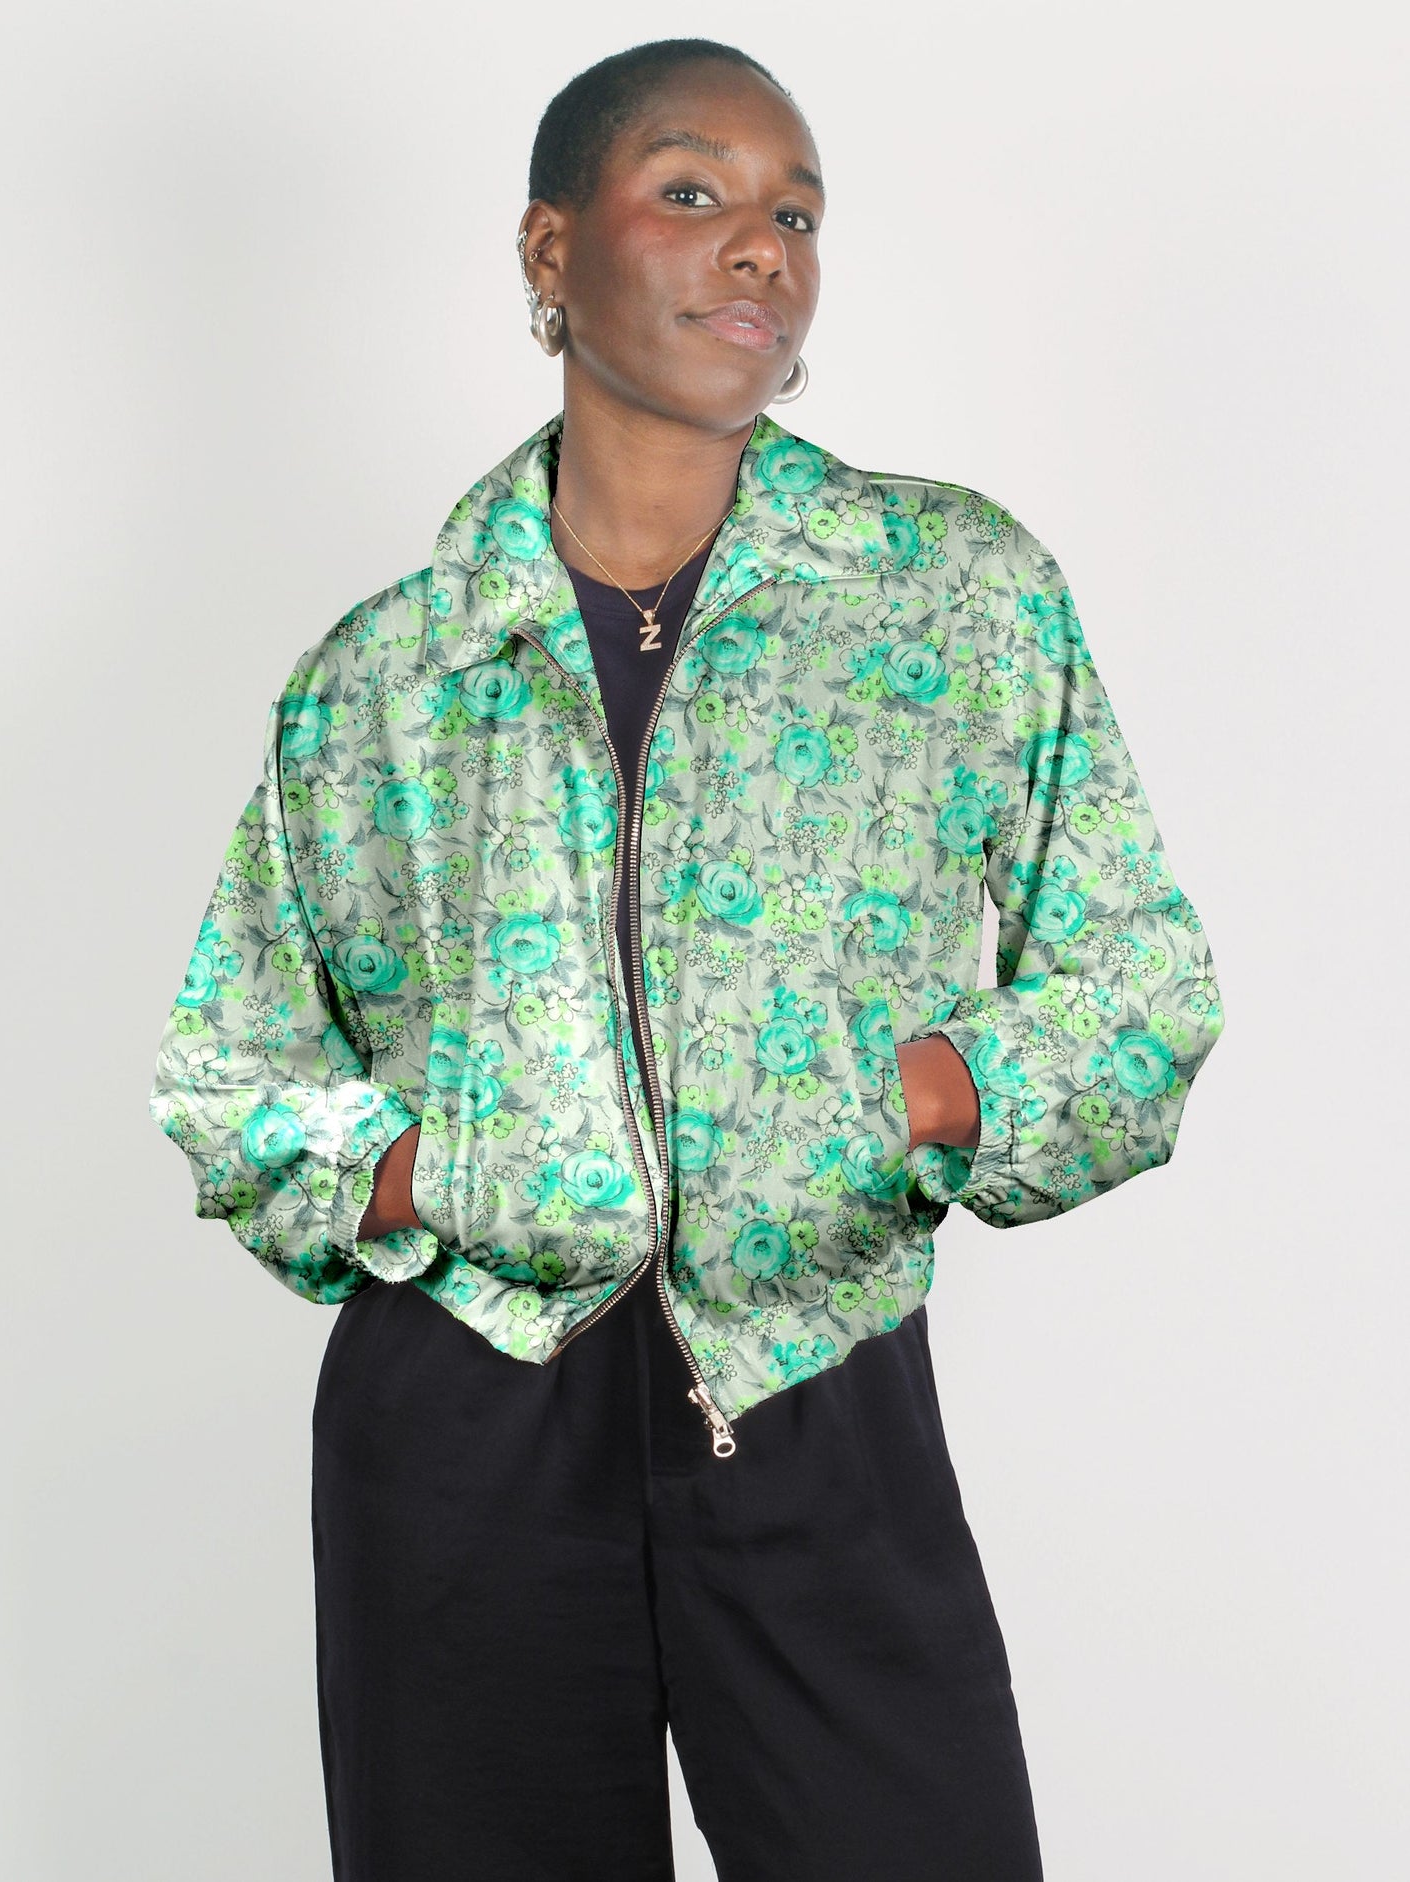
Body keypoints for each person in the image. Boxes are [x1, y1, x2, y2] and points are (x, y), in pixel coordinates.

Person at [147, 35, 1225, 1882]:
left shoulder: (944, 591)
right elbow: (228, 1074)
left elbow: (1142, 989)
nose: (759, 249)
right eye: (693, 192)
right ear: (549, 250)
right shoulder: (388, 670)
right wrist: (435, 1168)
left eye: (795, 214)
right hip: (465, 1423)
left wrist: (914, 1093)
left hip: (812, 1390)